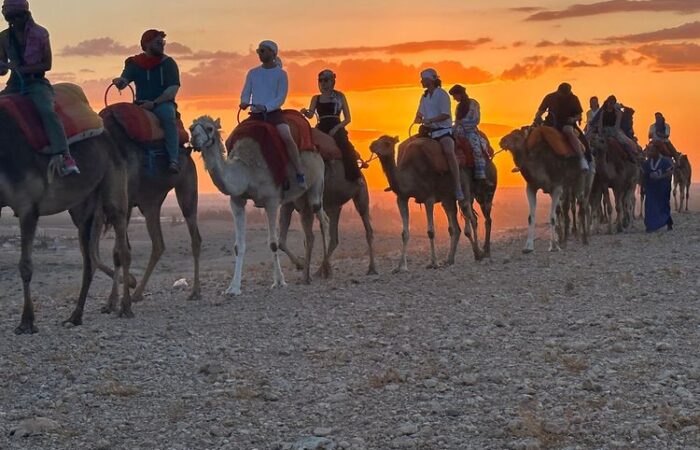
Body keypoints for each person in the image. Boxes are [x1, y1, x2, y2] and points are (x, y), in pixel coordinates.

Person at [0, 0, 79, 175]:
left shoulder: (40, 33)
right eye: (10, 17)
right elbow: (3, 69)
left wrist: (22, 69)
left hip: (36, 82)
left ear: (25, 15)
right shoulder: (4, 37)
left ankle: (64, 154)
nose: (14, 20)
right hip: (14, 84)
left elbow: (47, 64)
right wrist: (3, 67)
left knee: (46, 110)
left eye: (18, 16)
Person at [113, 29, 181, 174]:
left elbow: (172, 90)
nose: (162, 45)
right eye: (158, 42)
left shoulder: (168, 64)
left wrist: (154, 103)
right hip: (140, 105)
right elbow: (124, 81)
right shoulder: (135, 63)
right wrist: (119, 82)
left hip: (162, 104)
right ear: (147, 43)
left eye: (162, 42)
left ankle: (173, 159)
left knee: (168, 117)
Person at [240, 40, 306, 188]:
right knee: (235, 137)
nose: (260, 54)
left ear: (272, 52)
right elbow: (246, 92)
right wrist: (244, 101)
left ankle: (299, 172)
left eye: (263, 51)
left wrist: (266, 107)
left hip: (273, 114)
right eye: (259, 51)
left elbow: (280, 98)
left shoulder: (281, 74)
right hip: (255, 114)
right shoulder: (252, 73)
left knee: (287, 137)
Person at [301, 69, 361, 182]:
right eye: (320, 80)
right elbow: (310, 114)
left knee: (345, 146)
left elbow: (348, 118)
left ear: (332, 81)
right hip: (321, 126)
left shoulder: (340, 96)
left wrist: (336, 128)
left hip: (336, 126)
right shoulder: (316, 98)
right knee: (308, 145)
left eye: (326, 80)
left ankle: (355, 176)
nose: (323, 83)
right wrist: (305, 112)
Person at [414, 68, 464, 201]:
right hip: (428, 132)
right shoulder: (424, 97)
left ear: (431, 80)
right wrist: (417, 118)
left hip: (443, 131)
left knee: (448, 151)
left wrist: (430, 120)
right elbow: (420, 112)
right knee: (410, 147)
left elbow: (445, 114)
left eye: (423, 79)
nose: (421, 82)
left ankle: (457, 186)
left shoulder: (442, 95)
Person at [533, 83, 588, 171]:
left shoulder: (574, 99)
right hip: (550, 123)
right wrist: (537, 117)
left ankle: (582, 159)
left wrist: (573, 119)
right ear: (558, 91)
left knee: (568, 131)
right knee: (535, 133)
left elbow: (579, 114)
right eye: (562, 94)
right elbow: (541, 110)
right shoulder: (549, 97)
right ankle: (527, 161)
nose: (564, 96)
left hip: (567, 123)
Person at [449, 84, 488, 182]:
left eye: (455, 96)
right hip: (457, 130)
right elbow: (456, 120)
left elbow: (476, 119)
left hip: (470, 131)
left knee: (476, 148)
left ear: (460, 94)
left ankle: (481, 176)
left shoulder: (473, 104)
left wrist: (461, 124)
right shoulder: (458, 106)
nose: (454, 99)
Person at [642, 142, 673, 232]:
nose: (649, 153)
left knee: (663, 205)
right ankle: (651, 225)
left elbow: (669, 172)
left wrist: (660, 177)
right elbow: (644, 175)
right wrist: (643, 186)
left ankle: (665, 222)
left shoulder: (665, 161)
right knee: (649, 206)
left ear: (657, 151)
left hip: (662, 187)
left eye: (651, 151)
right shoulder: (647, 163)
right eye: (648, 151)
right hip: (651, 188)